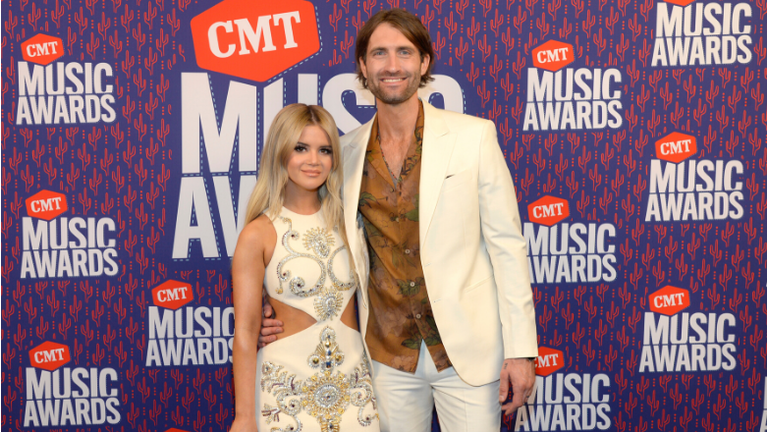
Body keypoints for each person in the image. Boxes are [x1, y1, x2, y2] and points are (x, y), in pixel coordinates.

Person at [262, 9, 538, 432]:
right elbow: (313, 233)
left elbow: (507, 248)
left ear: (424, 63)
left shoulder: (473, 137)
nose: (392, 65)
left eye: (404, 52)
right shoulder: (344, 153)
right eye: (379, 54)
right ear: (363, 67)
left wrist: (521, 350)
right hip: (386, 358)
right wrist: (279, 305)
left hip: (468, 352)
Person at [230, 104, 379, 432]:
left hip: (355, 391)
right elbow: (246, 332)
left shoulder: (350, 222)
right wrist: (244, 417)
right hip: (285, 393)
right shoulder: (258, 233)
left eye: (324, 150)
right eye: (301, 148)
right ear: (280, 152)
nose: (314, 160)